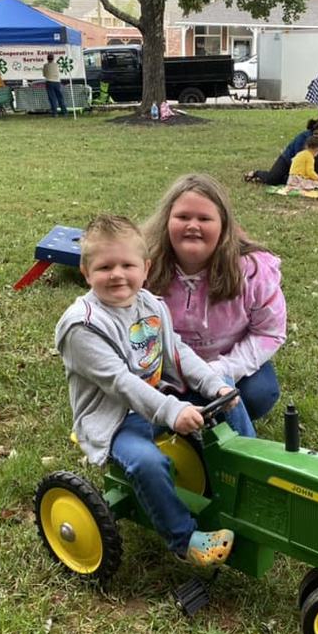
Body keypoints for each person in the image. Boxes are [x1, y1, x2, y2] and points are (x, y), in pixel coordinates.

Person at [55, 215, 253, 566]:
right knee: (148, 462)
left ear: (145, 268)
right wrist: (172, 411)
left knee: (228, 400)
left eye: (127, 265)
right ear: (86, 272)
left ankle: (251, 478)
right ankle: (184, 540)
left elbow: (177, 352)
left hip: (157, 398)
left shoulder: (150, 305)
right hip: (115, 419)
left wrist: (214, 384)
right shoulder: (82, 326)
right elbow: (120, 382)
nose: (117, 275)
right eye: (104, 267)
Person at [144, 175, 287, 422]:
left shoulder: (253, 271)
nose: (193, 225)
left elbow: (269, 332)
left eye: (204, 219)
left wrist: (221, 370)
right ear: (166, 221)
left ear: (223, 225)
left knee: (259, 393)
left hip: (226, 362)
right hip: (165, 366)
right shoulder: (142, 264)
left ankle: (198, 408)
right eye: (183, 217)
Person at [244, 116, 318, 186]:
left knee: (295, 181)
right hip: (288, 161)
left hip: (307, 168)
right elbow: (298, 158)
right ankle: (256, 173)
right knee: (272, 180)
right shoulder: (304, 137)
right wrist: (308, 175)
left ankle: (285, 178)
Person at [42, 53, 67, 117]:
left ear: (47, 59)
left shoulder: (45, 65)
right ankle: (64, 112)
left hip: (49, 82)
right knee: (60, 97)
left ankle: (55, 113)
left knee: (52, 98)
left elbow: (44, 75)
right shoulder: (57, 65)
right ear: (53, 58)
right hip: (57, 82)